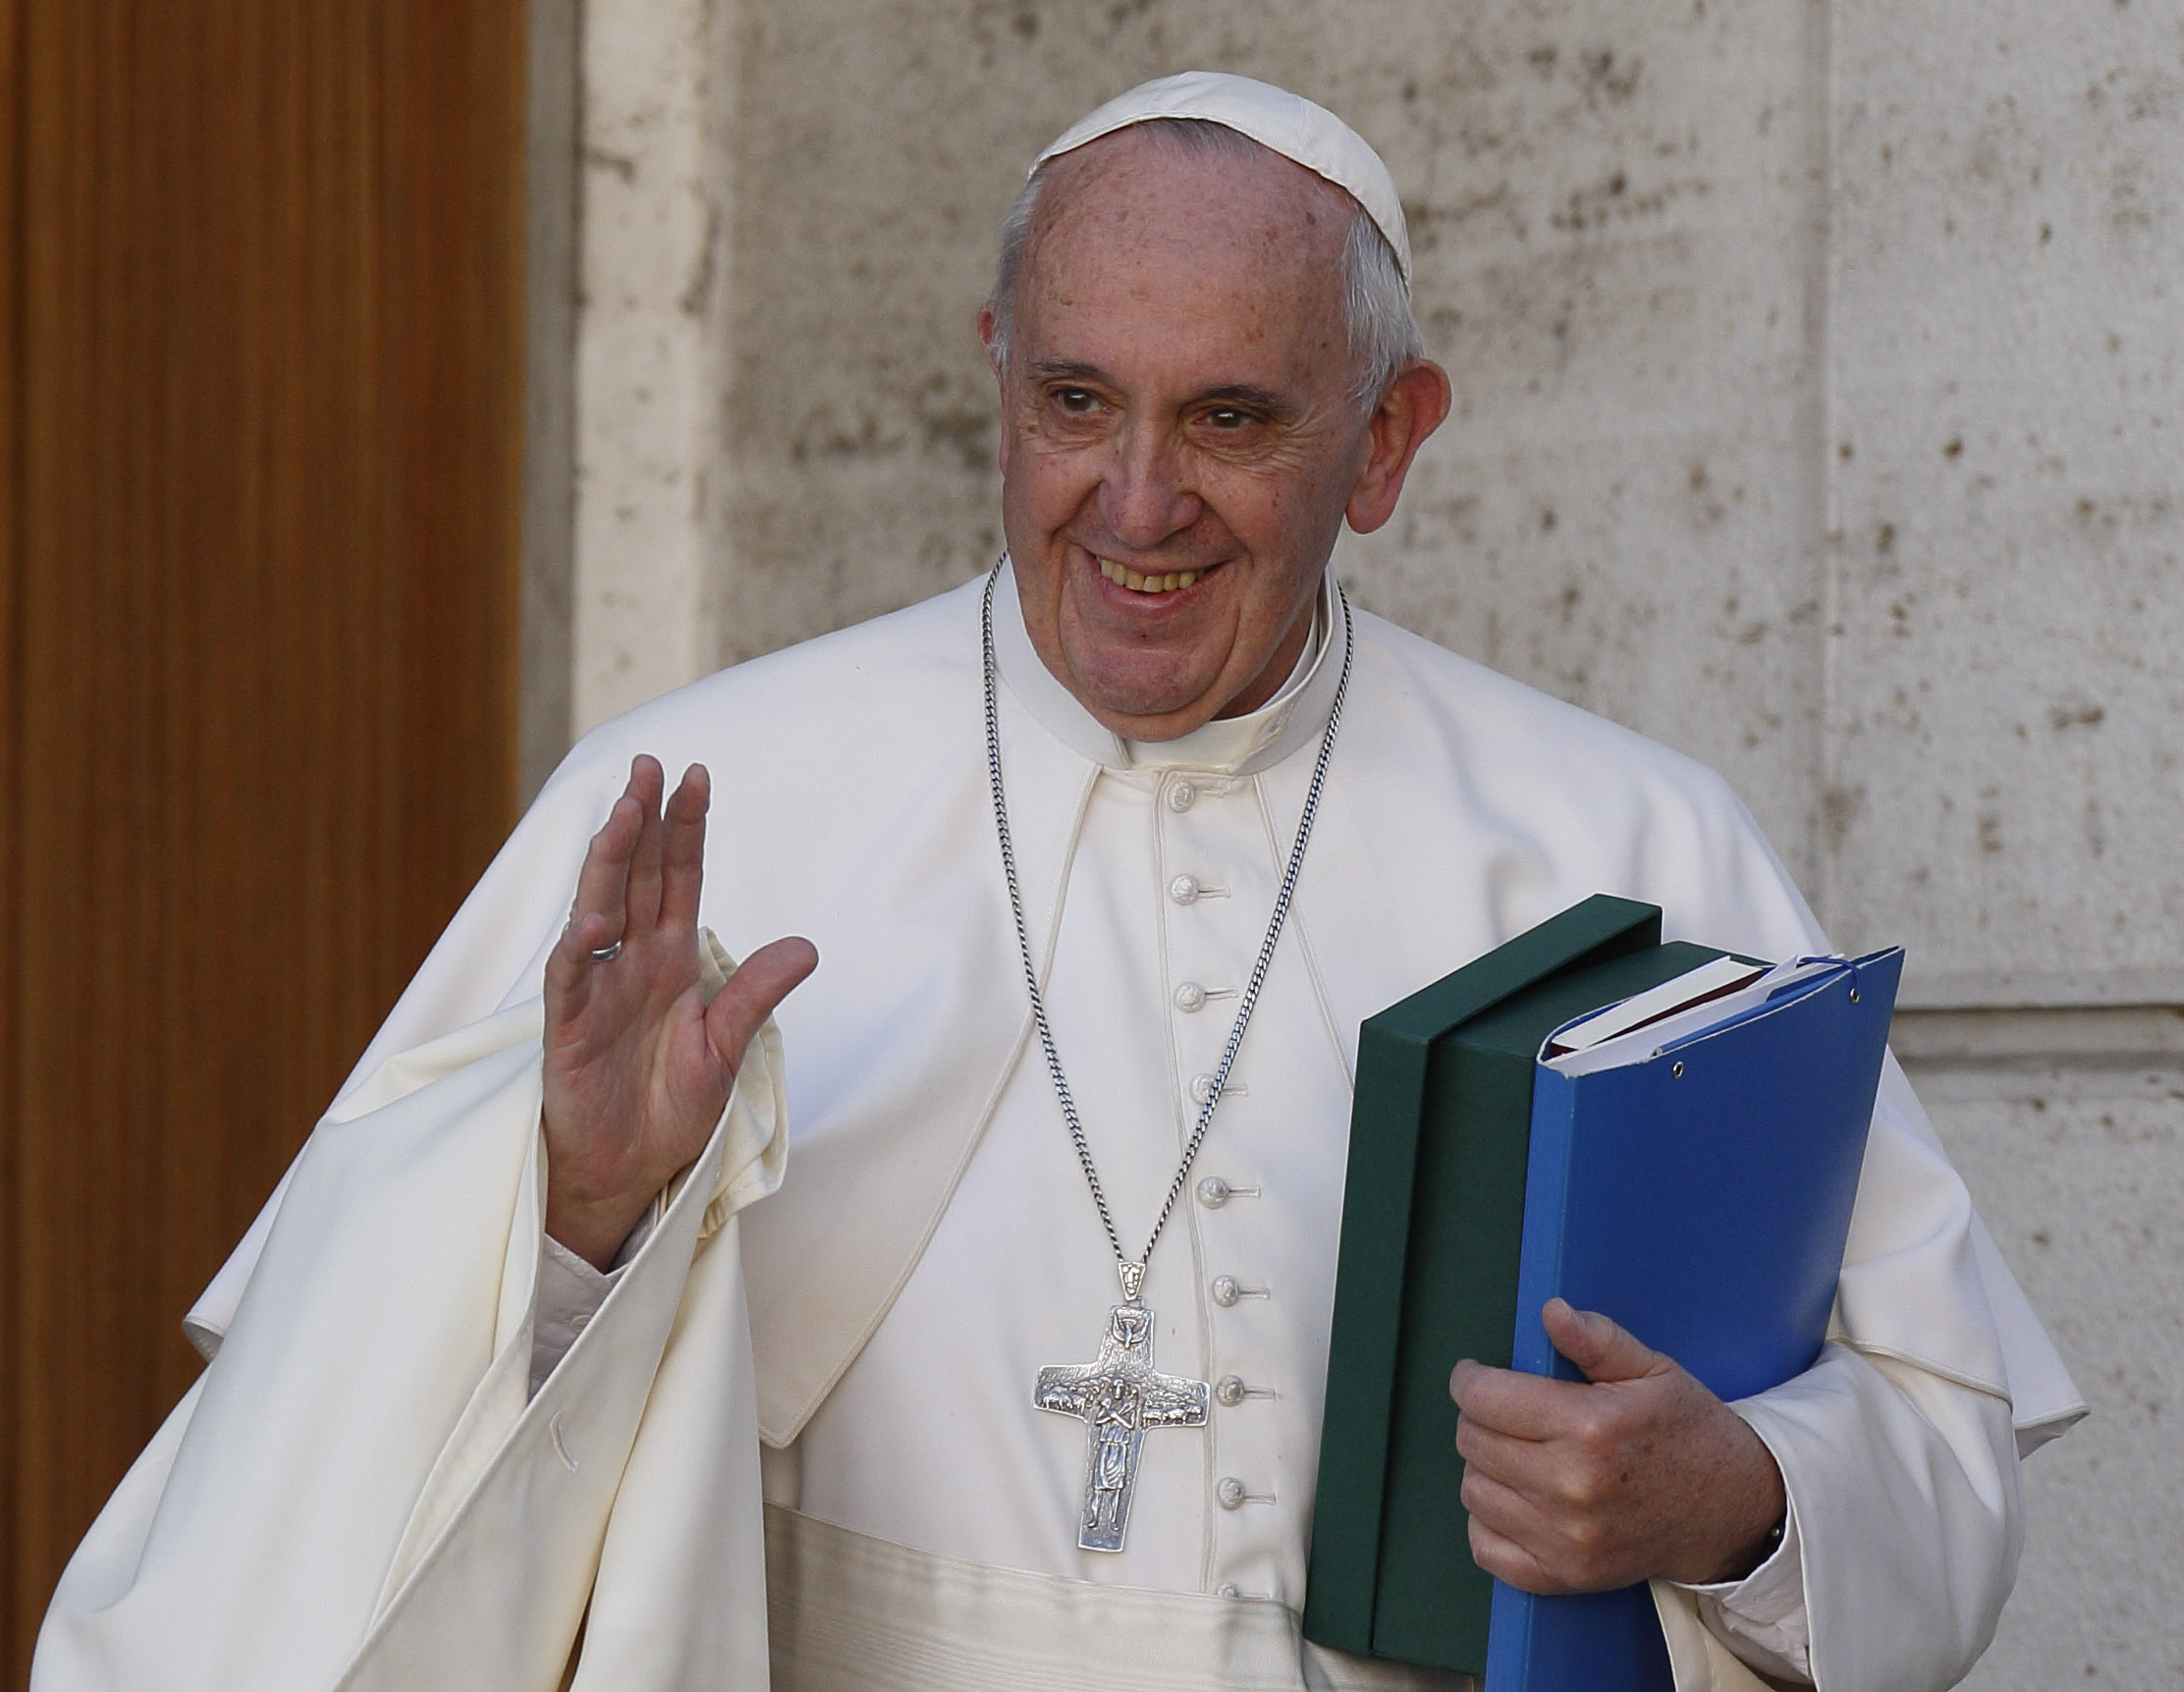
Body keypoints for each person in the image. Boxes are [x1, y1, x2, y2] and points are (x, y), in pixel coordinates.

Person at [35, 72, 2081, 1692]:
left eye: (1230, 419)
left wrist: (1728, 1497)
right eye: (1073, 401)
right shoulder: (707, 802)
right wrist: (577, 1214)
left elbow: (1930, 1442)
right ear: (994, 371)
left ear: (1384, 443)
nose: (1134, 501)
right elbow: (333, 1467)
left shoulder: (1627, 848)